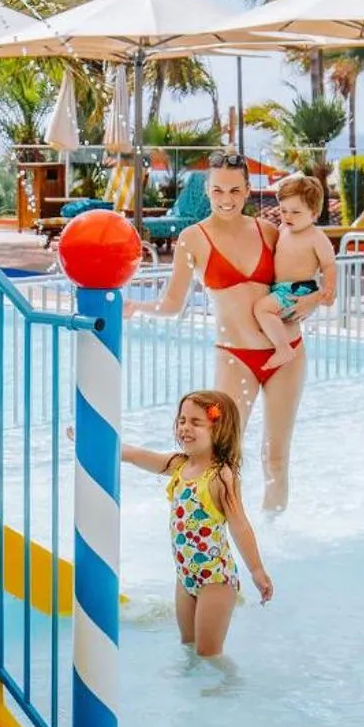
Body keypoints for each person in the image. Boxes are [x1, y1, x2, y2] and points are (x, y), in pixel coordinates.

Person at [126, 152, 321, 512]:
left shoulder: (270, 232)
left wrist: (312, 302)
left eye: (234, 190)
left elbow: (301, 282)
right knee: (222, 457)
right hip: (235, 357)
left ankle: (272, 536)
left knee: (276, 456)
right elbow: (172, 304)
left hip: (286, 353)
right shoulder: (192, 239)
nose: (226, 199)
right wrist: (139, 307)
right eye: (218, 190)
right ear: (207, 189)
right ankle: (224, 537)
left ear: (248, 190)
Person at [120, 389, 272, 659]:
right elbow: (134, 455)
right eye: (181, 421)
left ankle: (225, 693)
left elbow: (239, 525)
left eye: (195, 422)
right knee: (188, 648)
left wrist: (257, 570)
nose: (185, 428)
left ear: (218, 429)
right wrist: (93, 440)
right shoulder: (178, 465)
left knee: (208, 653)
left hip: (215, 579)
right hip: (186, 576)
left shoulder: (220, 476)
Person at [254, 175, 337, 371]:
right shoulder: (283, 229)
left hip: (298, 289)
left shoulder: (316, 237)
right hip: (282, 288)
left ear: (314, 214)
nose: (288, 216)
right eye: (283, 211)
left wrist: (329, 288)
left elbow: (329, 264)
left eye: (295, 212)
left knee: (261, 309)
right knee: (266, 313)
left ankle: (283, 349)